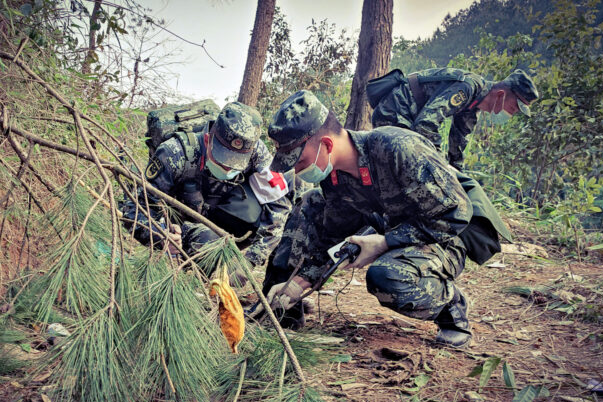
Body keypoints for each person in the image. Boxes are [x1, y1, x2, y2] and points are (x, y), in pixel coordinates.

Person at [262, 90, 509, 347]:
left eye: (300, 161)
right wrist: (299, 283)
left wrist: (385, 243)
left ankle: (451, 307)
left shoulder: (398, 148)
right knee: (310, 202)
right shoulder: (335, 178)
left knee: (387, 277)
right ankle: (282, 308)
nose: (298, 171)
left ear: (326, 145)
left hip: (445, 237)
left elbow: (455, 214)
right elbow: (332, 236)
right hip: (390, 228)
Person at [121, 102, 291, 271]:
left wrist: (251, 260)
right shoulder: (173, 153)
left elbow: (279, 206)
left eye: (236, 164)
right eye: (222, 158)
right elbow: (133, 210)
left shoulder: (257, 152)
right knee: (207, 238)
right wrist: (162, 236)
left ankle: (225, 259)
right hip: (183, 224)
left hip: (224, 217)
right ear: (208, 139)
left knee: (291, 189)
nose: (227, 168)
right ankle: (194, 274)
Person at [369, 68, 539, 170]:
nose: (511, 113)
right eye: (513, 107)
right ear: (501, 94)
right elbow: (425, 124)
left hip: (408, 118)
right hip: (395, 111)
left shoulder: (472, 109)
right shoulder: (468, 87)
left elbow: (456, 148)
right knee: (405, 166)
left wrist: (458, 176)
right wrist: (440, 165)